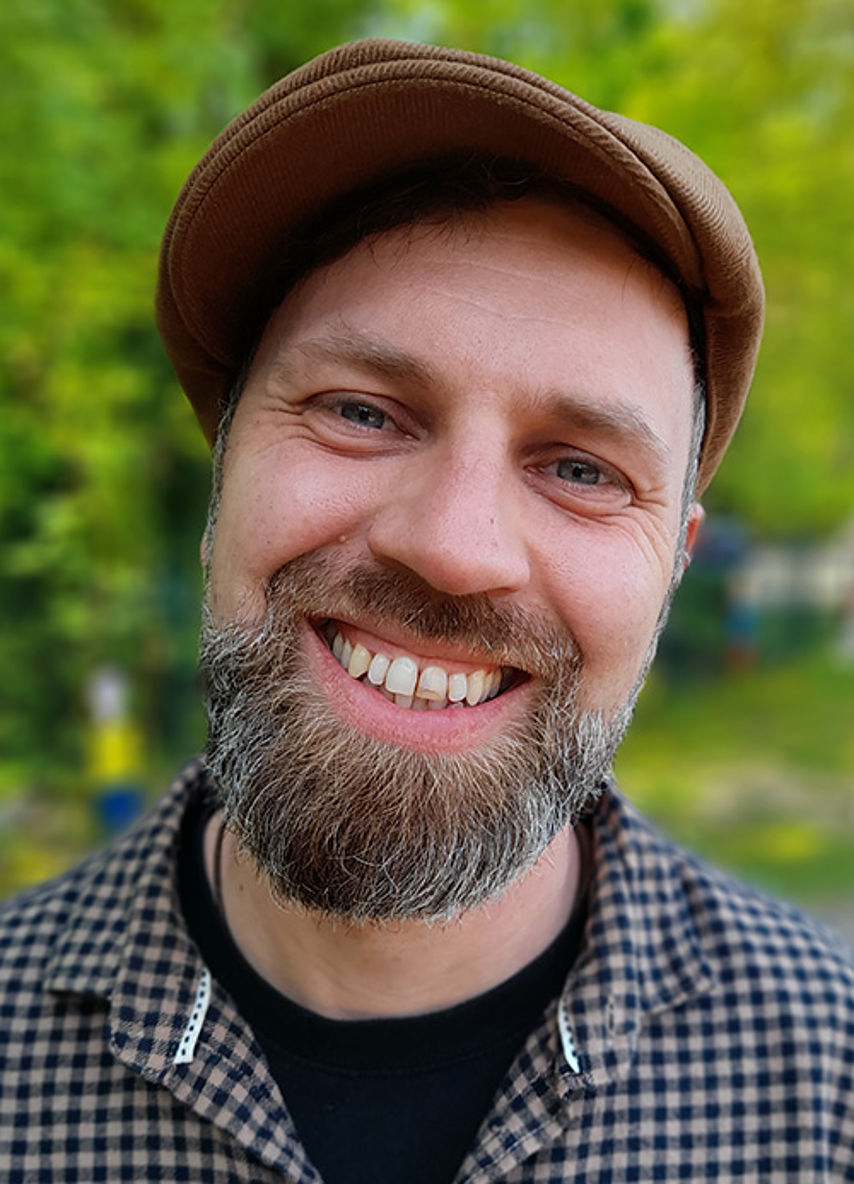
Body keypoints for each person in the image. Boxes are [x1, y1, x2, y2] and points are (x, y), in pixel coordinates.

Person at [1, 38, 851, 1183]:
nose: (453, 549)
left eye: (581, 469)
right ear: (222, 477)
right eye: (360, 410)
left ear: (672, 569)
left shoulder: (829, 1085)